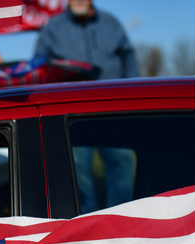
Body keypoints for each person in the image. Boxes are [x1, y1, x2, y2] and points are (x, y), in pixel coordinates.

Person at [35, 0, 139, 213]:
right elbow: (38, 67)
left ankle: (121, 220)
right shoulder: (53, 27)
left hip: (112, 110)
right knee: (77, 172)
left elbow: (129, 58)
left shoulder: (111, 23)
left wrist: (131, 94)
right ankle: (89, 226)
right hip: (71, 114)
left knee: (122, 164)